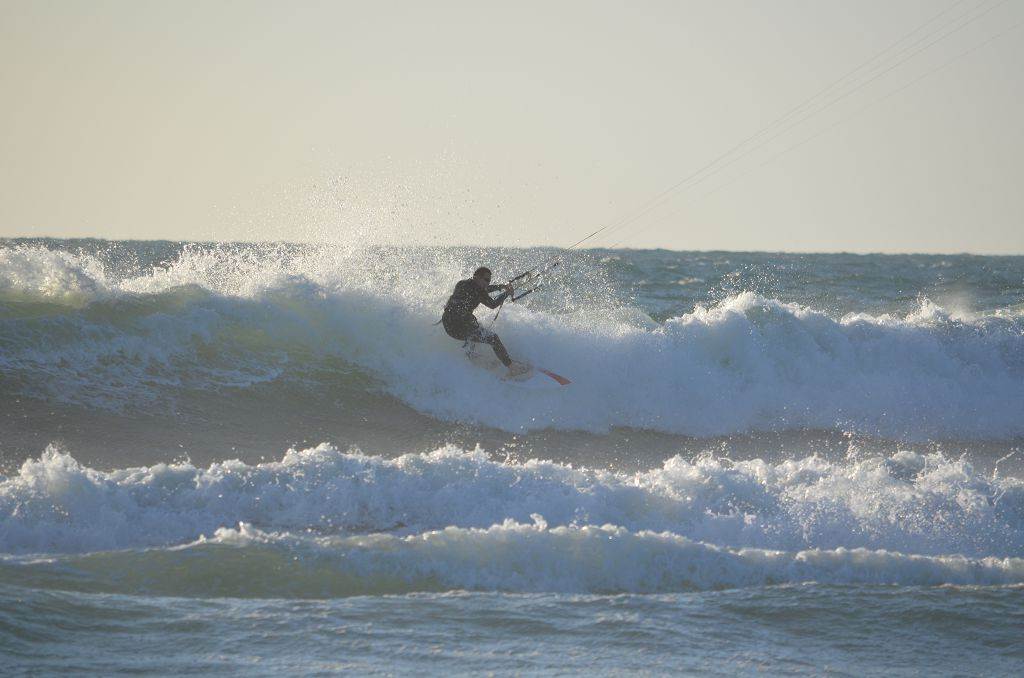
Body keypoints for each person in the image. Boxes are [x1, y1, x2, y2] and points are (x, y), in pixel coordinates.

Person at [442, 266, 529, 376]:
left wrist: (500, 287)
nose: (487, 283)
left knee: (478, 328)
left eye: (489, 281)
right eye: (486, 280)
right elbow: (492, 304)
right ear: (476, 277)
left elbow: (483, 289)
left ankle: (472, 357)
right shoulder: (479, 291)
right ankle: (513, 369)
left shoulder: (462, 284)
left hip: (448, 324)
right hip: (458, 328)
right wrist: (507, 293)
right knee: (493, 338)